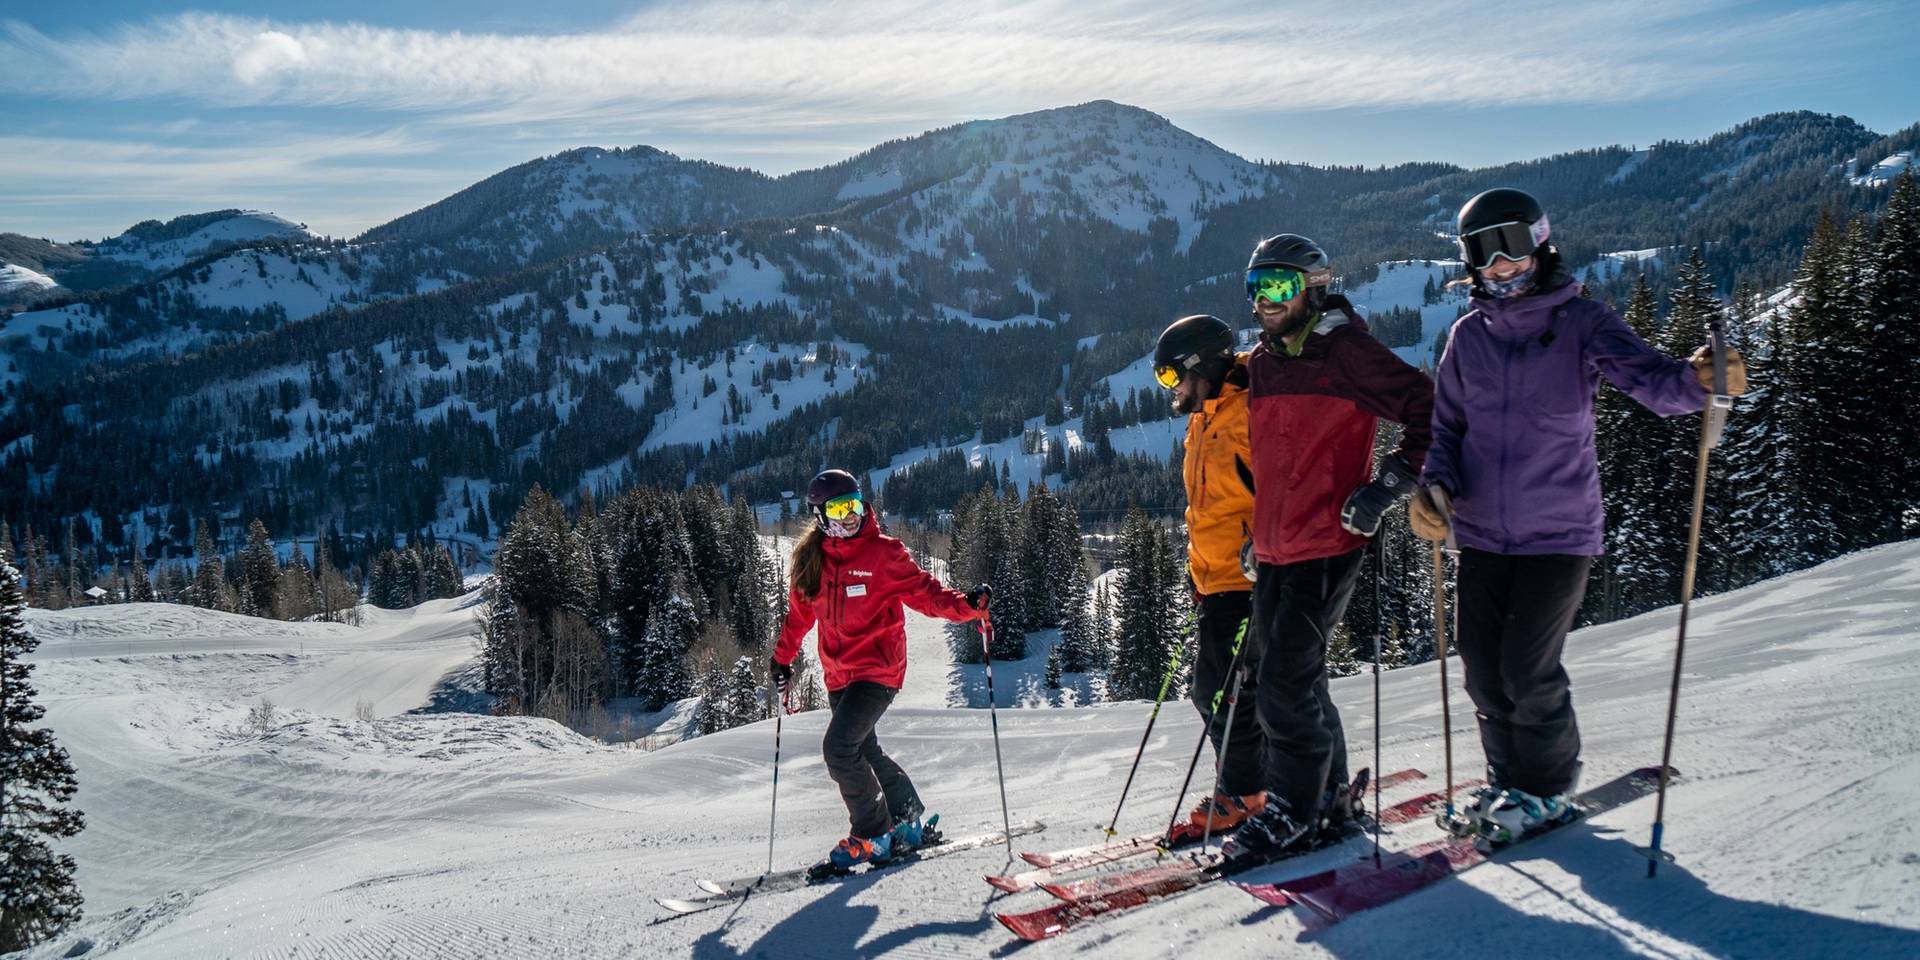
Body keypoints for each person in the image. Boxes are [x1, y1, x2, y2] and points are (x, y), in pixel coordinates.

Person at [1409, 187, 1748, 843]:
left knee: (1527, 670)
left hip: (1557, 533)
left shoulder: (1582, 324)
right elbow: (1447, 429)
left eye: (1511, 247)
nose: (1500, 266)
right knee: (1483, 669)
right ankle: (1509, 781)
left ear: (1540, 244)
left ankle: (1545, 789)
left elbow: (1651, 380)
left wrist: (1701, 381)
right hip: (1479, 532)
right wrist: (1436, 490)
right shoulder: (1466, 339)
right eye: (1483, 252)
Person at [1222, 234, 1436, 861]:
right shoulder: (1264, 363)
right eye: (1256, 286)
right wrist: (1257, 533)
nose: (1265, 299)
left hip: (1329, 542)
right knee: (1291, 676)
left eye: (1280, 286)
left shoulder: (1346, 353)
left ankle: (1297, 807)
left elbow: (1429, 408)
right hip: (1276, 550)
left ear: (1313, 290)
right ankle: (1331, 795)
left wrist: (1388, 487)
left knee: (1284, 683)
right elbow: (1273, 461)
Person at [771, 469, 991, 871]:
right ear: (820, 515)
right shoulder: (811, 561)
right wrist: (781, 658)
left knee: (839, 749)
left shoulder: (883, 554)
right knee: (865, 749)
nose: (850, 515)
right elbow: (799, 618)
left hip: (877, 671)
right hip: (839, 676)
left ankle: (873, 834)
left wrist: (966, 605)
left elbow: (927, 593)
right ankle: (907, 819)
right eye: (839, 508)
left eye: (854, 505)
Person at [1152, 313, 1264, 835]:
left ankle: (1245, 791)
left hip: (1249, 578)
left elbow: (1283, 483)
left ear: (1204, 366)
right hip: (1213, 579)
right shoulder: (1205, 418)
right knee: (1226, 689)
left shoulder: (1250, 413)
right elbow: (1206, 505)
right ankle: (1258, 785)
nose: (1169, 388)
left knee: (1220, 691)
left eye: (1173, 376)